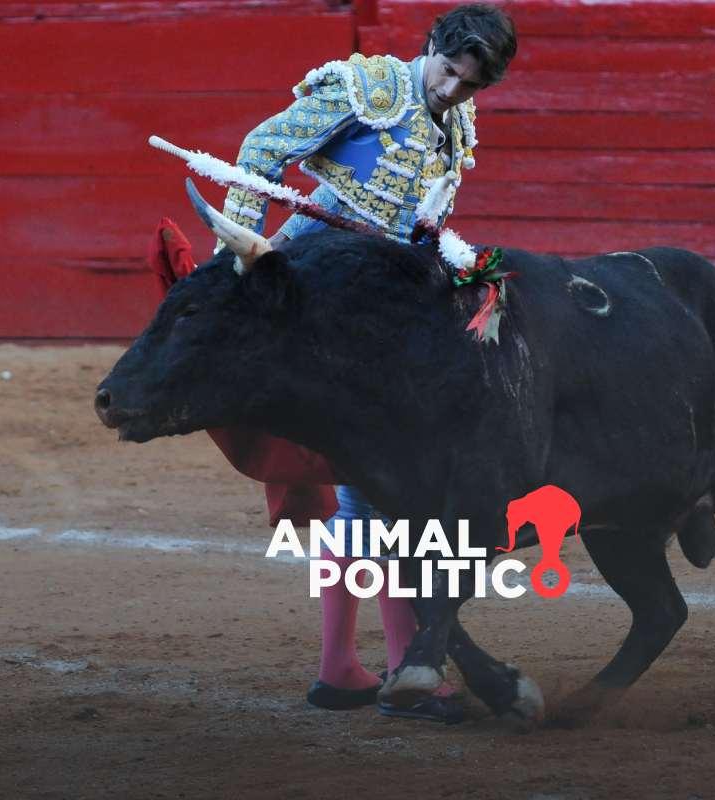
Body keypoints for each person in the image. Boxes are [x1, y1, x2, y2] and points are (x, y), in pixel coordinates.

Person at [219, 4, 517, 723]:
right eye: (448, 72)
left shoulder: (457, 121)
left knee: (371, 490)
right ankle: (406, 671)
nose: (452, 90)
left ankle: (344, 670)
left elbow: (418, 220)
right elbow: (261, 148)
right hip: (323, 298)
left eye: (470, 85)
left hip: (382, 309)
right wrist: (244, 262)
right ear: (431, 45)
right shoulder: (371, 88)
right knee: (385, 488)